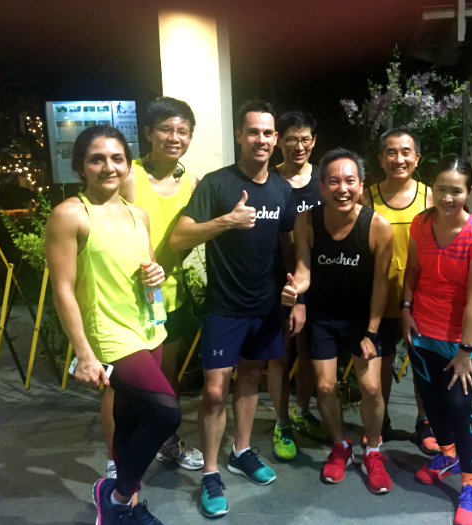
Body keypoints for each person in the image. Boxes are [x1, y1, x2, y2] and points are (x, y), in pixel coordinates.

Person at [46, 125, 181, 524]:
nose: (109, 167)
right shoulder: (70, 214)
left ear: (128, 164)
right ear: (80, 167)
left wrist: (156, 274)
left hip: (149, 328)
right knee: (166, 413)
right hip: (110, 335)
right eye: (97, 159)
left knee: (130, 420)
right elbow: (63, 290)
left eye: (117, 158)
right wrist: (84, 354)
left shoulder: (137, 214)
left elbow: (147, 267)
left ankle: (127, 508)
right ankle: (117, 495)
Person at [170, 100, 296, 518]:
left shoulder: (281, 189)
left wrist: (295, 288)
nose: (261, 139)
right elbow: (179, 237)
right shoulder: (216, 184)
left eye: (268, 133)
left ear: (276, 140)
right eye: (253, 131)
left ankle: (241, 452)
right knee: (213, 391)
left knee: (251, 379)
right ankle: (210, 473)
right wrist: (227, 221)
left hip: (265, 307)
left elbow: (288, 245)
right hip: (224, 307)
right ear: (239, 135)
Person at [99, 97, 202, 481]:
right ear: (148, 133)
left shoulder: (191, 183)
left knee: (167, 373)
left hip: (168, 294)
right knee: (120, 383)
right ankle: (116, 459)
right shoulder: (130, 176)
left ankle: (167, 442)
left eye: (182, 131)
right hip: (127, 298)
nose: (175, 137)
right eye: (166, 129)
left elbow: (185, 236)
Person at [281, 148, 394, 494]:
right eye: (333, 181)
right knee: (326, 386)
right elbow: (303, 270)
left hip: (361, 319)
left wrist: (372, 331)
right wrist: (295, 291)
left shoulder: (377, 226)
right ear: (321, 187)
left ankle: (372, 450)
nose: (341, 188)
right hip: (323, 317)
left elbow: (381, 285)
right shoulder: (306, 221)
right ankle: (340, 445)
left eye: (349, 181)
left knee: (371, 388)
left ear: (361, 185)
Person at [402, 158, 472, 525]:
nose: (447, 197)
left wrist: (465, 352)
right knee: (432, 403)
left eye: (456, 190)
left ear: (468, 192)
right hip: (422, 330)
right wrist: (406, 309)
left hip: (460, 340)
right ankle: (448, 455)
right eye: (441, 189)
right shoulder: (421, 223)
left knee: (459, 407)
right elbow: (413, 271)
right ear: (432, 189)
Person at [363, 127, 438, 454]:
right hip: (378, 298)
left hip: (420, 299)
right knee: (380, 363)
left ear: (417, 158)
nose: (399, 159)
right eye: (391, 152)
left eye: (406, 152)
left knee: (422, 364)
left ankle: (426, 421)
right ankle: (380, 422)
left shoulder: (429, 196)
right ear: (381, 159)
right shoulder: (367, 197)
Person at [268, 110, 329, 457]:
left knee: (309, 352)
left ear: (314, 141)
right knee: (280, 354)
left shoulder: (324, 180)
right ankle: (281, 424)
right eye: (291, 139)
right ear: (279, 141)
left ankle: (302, 413)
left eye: (305, 139)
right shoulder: (269, 180)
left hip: (318, 281)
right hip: (276, 282)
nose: (299, 146)